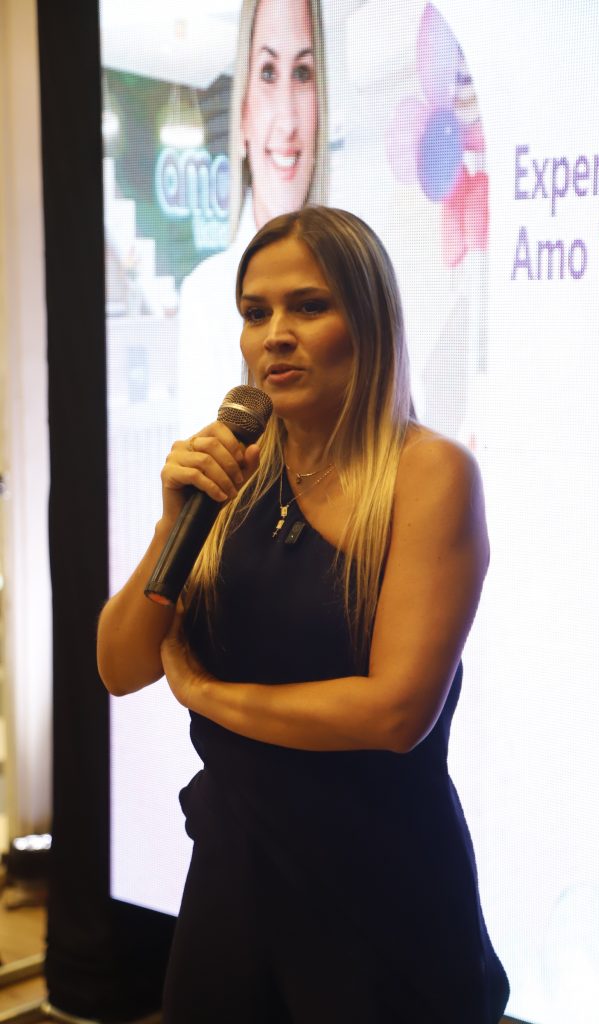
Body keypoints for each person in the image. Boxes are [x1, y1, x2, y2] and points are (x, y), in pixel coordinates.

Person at [97, 205, 510, 1022]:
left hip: (379, 892)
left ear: (369, 320)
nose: (274, 336)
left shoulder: (428, 474)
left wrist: (207, 695)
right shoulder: (230, 473)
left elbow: (393, 714)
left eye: (308, 307)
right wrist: (174, 522)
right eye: (256, 313)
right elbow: (120, 666)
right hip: (234, 882)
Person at [177, 0, 328, 435]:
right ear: (242, 111)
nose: (287, 121)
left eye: (303, 73)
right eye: (267, 73)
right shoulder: (205, 296)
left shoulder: (362, 283)